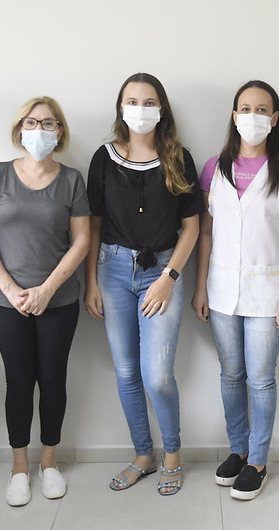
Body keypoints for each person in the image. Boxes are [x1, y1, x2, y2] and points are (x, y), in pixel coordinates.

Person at [84, 73, 203, 496]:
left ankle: (172, 453)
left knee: (157, 375)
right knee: (126, 372)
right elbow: (93, 225)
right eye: (131, 101)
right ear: (120, 108)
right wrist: (91, 283)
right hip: (112, 271)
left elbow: (192, 226)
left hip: (162, 271)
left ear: (162, 108)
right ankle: (143, 454)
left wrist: (170, 278)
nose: (140, 109)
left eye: (148, 101)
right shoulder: (103, 157)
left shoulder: (178, 157)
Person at [0, 97, 91, 506]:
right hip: (8, 303)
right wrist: (9, 289)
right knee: (19, 381)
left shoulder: (73, 180)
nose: (39, 129)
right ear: (19, 127)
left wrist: (46, 290)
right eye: (32, 121)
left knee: (53, 379)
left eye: (49, 123)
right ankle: (19, 466)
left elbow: (81, 241)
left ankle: (49, 462)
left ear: (60, 133)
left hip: (58, 301)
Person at [191, 80, 279, 500]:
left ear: (273, 119)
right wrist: (200, 287)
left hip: (267, 294)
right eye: (244, 108)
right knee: (231, 375)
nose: (252, 116)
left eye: (262, 109)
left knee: (260, 379)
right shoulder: (212, 168)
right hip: (220, 292)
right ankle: (237, 450)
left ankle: (258, 461)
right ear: (234, 115)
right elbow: (205, 234)